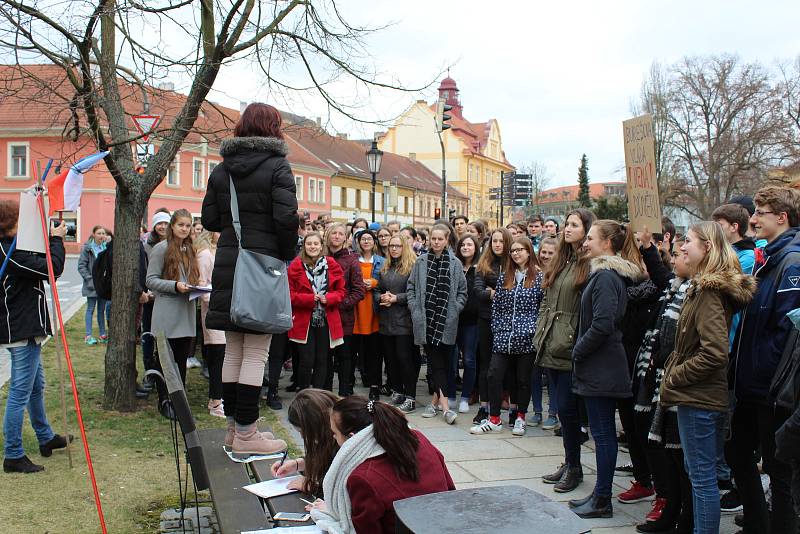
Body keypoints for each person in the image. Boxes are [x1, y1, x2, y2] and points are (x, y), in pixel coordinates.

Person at [201, 102, 297, 460]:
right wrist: (284, 253)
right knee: (256, 351)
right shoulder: (277, 166)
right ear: (273, 127)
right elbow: (286, 219)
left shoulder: (221, 170)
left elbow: (210, 218)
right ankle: (247, 433)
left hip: (229, 262)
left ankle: (233, 429)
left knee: (234, 350)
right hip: (260, 266)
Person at [661, 221, 756, 534]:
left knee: (702, 479)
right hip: (697, 394)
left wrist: (675, 376)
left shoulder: (709, 293)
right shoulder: (702, 287)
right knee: (697, 472)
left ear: (708, 248)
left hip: (699, 396)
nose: (683, 247)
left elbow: (715, 353)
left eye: (689, 241)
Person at [727, 185, 800, 534]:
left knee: (778, 470)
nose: (752, 219)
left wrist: (767, 381)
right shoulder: (767, 258)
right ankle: (758, 524)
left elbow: (786, 332)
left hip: (769, 390)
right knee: (738, 455)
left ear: (781, 218)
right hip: (751, 386)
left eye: (760, 212)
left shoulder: (791, 261)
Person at [566, 219, 643, 519]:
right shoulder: (603, 275)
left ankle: (602, 498)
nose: (585, 243)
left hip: (602, 367)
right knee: (602, 434)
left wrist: (578, 351)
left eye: (590, 238)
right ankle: (600, 495)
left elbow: (603, 323)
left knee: (604, 435)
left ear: (607, 243)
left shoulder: (607, 277)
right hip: (599, 366)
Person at [308, 396, 455, 534]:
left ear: (352, 438)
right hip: (445, 525)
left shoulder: (363, 477)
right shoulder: (417, 438)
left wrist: (334, 513)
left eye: (335, 433)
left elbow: (365, 530)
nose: (333, 437)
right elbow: (450, 490)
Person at [1, 200, 71, 473]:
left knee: (35, 386)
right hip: (21, 330)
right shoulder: (10, 252)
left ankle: (45, 437)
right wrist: (57, 240)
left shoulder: (12, 248)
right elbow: (52, 269)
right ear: (9, 224)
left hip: (23, 327)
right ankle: (13, 454)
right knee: (20, 392)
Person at [535, 208, 595, 493]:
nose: (567, 229)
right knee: (561, 410)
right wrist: (540, 330)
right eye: (566, 224)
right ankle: (570, 462)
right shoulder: (562, 259)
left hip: (569, 344)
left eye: (574, 225)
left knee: (570, 411)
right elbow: (548, 297)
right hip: (551, 340)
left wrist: (574, 337)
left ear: (586, 230)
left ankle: (575, 467)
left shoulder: (588, 262)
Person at [634, 249, 694, 533]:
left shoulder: (698, 293)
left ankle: (687, 518)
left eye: (685, 249)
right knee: (669, 452)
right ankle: (673, 509)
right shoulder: (676, 288)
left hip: (681, 385)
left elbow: (711, 350)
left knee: (685, 460)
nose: (676, 256)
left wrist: (674, 371)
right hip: (662, 380)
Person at [471, 236, 544, 437]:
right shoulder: (505, 276)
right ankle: (494, 418)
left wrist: (534, 330)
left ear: (529, 252)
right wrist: (498, 328)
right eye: (513, 250)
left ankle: (520, 417)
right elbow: (497, 306)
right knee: (494, 374)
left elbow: (542, 306)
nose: (516, 253)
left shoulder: (539, 277)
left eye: (520, 249)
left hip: (527, 337)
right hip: (504, 336)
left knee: (522, 380)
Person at [407, 223, 467, 424]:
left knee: (445, 365)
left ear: (447, 240)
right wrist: (415, 309)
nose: (436, 242)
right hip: (426, 320)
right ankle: (447, 409)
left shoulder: (456, 263)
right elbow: (411, 288)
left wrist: (455, 309)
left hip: (447, 320)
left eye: (440, 239)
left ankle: (434, 404)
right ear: (429, 239)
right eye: (433, 239)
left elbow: (462, 292)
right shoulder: (421, 261)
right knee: (435, 364)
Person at [146, 209, 202, 417]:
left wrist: (197, 286)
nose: (185, 229)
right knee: (165, 361)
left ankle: (180, 401)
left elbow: (189, 277)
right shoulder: (161, 249)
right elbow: (150, 280)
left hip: (186, 311)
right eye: (181, 225)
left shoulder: (189, 249)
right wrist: (175, 286)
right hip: (167, 312)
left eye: (188, 226)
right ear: (172, 226)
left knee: (180, 361)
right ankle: (164, 400)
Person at [288, 232, 345, 390]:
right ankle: (304, 393)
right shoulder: (296, 265)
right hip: (303, 320)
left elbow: (341, 291)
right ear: (304, 246)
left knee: (323, 360)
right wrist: (308, 299)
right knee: (306, 360)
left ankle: (318, 396)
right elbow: (288, 294)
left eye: (315, 244)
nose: (312, 247)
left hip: (326, 319)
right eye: (309, 244)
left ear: (321, 246)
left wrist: (330, 298)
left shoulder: (332, 264)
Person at [473, 228, 512, 424]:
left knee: (507, 366)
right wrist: (496, 292)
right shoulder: (484, 264)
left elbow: (515, 289)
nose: (497, 244)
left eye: (501, 241)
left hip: (508, 321)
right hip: (486, 319)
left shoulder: (513, 263)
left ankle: (512, 408)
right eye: (494, 241)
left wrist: (495, 290)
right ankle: (484, 406)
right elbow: (478, 292)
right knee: (485, 364)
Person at [374, 235, 417, 413]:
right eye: (391, 246)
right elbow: (376, 288)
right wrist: (380, 297)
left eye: (397, 246)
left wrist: (396, 298)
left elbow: (415, 292)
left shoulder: (411, 267)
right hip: (386, 321)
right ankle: (398, 391)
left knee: (404, 359)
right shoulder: (385, 267)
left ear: (404, 247)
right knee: (391, 360)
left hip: (404, 321)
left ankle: (411, 396)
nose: (393, 249)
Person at [272, 389, 341, 496]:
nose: (302, 436)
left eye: (302, 431)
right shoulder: (332, 435)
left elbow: (344, 493)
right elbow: (326, 460)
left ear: (316, 425)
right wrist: (298, 464)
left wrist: (312, 486)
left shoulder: (343, 442)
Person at [324, 223, 365, 396]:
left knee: (345, 357)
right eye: (334, 233)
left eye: (341, 233)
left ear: (346, 238)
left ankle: (345, 392)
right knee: (325, 358)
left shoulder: (351, 260)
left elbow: (359, 291)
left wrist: (340, 304)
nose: (337, 236)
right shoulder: (320, 256)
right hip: (322, 316)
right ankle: (324, 393)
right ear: (328, 235)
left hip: (343, 317)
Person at [194, 230, 225, 418]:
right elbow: (202, 286)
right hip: (214, 311)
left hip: (228, 313)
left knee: (225, 357)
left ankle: (220, 397)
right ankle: (215, 400)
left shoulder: (227, 251)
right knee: (217, 357)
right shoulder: (206, 254)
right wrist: (218, 299)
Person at [352, 229, 385, 400]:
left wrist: (374, 282)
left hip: (374, 311)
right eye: (363, 239)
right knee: (353, 352)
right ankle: (348, 385)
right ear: (358, 242)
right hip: (355, 310)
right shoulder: (352, 260)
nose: (366, 242)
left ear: (374, 242)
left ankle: (375, 385)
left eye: (369, 239)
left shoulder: (381, 261)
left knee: (374, 353)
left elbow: (387, 281)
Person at [452, 234, 481, 414]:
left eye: (469, 244)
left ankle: (466, 396)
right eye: (463, 244)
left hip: (473, 321)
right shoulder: (454, 265)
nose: (465, 247)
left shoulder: (480, 267)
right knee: (452, 359)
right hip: (454, 319)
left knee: (469, 359)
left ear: (476, 247)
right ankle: (450, 396)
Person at [78, 225, 110, 345]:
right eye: (99, 233)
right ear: (93, 234)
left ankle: (102, 334)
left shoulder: (105, 247)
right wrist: (89, 280)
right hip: (91, 284)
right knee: (90, 309)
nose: (102, 236)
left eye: (103, 233)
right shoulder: (87, 248)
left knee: (101, 310)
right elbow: (81, 266)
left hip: (103, 285)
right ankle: (88, 335)